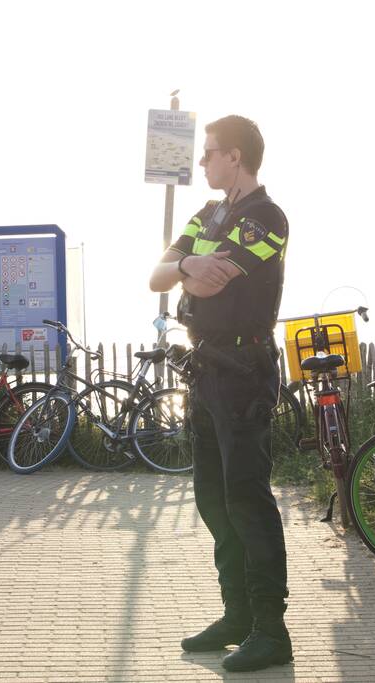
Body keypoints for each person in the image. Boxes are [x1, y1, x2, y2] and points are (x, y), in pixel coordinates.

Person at [149, 115, 291, 672]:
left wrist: (189, 270)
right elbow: (157, 277)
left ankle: (270, 630)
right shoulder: (208, 214)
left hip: (243, 372)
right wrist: (187, 262)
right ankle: (236, 615)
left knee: (247, 500)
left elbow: (216, 279)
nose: (202, 163)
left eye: (209, 154)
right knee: (212, 497)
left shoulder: (267, 217)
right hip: (205, 371)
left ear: (236, 156)